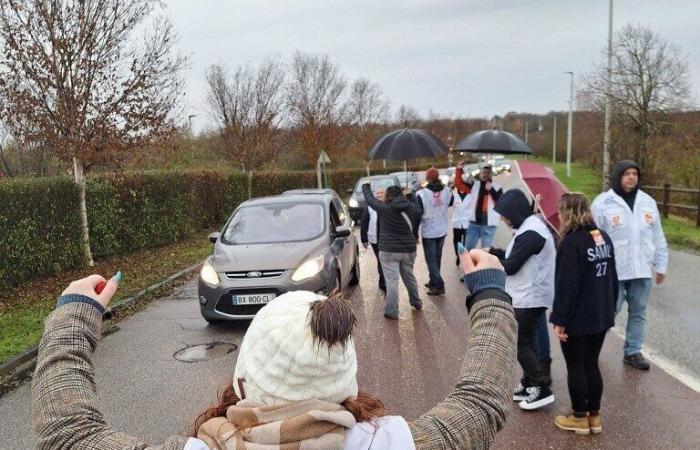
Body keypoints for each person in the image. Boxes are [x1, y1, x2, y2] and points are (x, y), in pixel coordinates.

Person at [32, 250, 518, 450]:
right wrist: (490, 294)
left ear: (241, 382)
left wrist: (75, 313)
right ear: (344, 379)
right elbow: (480, 401)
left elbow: (67, 431)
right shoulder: (387, 443)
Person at [591, 160, 669, 370]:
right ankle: (590, 348)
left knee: (639, 312)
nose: (631, 177)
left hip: (642, 268)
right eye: (626, 174)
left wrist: (661, 265)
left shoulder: (648, 202)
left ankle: (633, 352)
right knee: (609, 311)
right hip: (614, 270)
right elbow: (593, 235)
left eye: (634, 173)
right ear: (618, 176)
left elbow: (657, 236)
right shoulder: (603, 203)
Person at [550, 193, 618, 435]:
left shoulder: (571, 243)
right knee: (591, 363)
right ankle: (594, 417)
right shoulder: (603, 238)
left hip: (578, 316)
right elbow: (613, 277)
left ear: (566, 213)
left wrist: (559, 319)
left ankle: (579, 417)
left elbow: (566, 285)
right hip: (601, 313)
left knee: (576, 365)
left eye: (560, 212)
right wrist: (610, 308)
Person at [488, 189, 556, 411]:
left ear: (514, 211)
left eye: (504, 214)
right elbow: (512, 255)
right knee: (528, 340)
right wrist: (494, 251)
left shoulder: (532, 232)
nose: (503, 219)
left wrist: (488, 260)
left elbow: (512, 265)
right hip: (526, 295)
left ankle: (541, 386)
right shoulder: (527, 228)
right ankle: (529, 382)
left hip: (530, 296)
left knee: (517, 341)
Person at [362, 183, 422, 319]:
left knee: (392, 281)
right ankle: (416, 301)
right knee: (409, 276)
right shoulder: (411, 208)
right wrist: (411, 195)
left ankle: (392, 311)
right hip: (408, 250)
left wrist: (366, 187)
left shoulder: (383, 208)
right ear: (401, 195)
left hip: (388, 251)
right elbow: (419, 211)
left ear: (387, 195)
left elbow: (370, 200)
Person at [416, 167, 454, 295]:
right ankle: (433, 281)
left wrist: (415, 232)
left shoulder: (422, 194)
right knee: (437, 258)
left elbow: (418, 213)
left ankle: (439, 285)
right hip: (442, 229)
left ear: (427, 178)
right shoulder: (447, 190)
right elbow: (450, 203)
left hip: (428, 231)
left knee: (431, 260)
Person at [466, 165, 503, 249]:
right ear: (480, 174)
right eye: (483, 173)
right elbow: (460, 184)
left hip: (489, 225)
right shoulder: (475, 185)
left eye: (488, 173)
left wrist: (491, 190)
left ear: (491, 174)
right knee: (468, 250)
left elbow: (501, 203)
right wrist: (459, 169)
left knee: (485, 252)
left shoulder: (497, 187)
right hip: (473, 224)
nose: (485, 175)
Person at [360, 186, 386, 294]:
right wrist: (364, 239)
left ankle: (382, 280)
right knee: (381, 260)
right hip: (374, 238)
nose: (380, 195)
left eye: (382, 193)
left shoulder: (388, 205)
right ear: (375, 195)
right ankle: (384, 282)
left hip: (386, 238)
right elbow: (364, 223)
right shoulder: (370, 207)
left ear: (385, 194)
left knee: (383, 260)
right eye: (378, 193)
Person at [452, 161, 474, 266]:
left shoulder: (472, 193)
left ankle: (464, 260)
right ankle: (458, 255)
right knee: (456, 242)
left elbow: (458, 182)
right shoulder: (455, 193)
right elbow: (457, 182)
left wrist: (459, 170)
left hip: (467, 223)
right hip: (456, 222)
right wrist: (459, 169)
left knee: (466, 243)